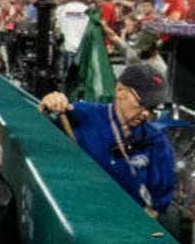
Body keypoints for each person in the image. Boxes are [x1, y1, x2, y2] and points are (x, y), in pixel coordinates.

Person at [38, 64, 175, 217]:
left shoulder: (157, 142)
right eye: (142, 104)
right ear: (120, 90)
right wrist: (48, 105)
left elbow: (157, 204)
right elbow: (39, 142)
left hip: (125, 226)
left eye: (152, 107)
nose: (145, 113)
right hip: (77, 217)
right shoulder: (81, 117)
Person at [54, 0, 91, 83]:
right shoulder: (88, 10)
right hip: (83, 51)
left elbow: (58, 29)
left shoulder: (62, 9)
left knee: (66, 83)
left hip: (68, 48)